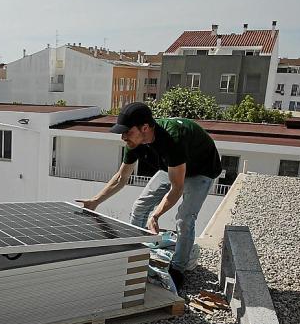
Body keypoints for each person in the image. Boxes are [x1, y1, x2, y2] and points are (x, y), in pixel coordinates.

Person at [77, 102, 222, 290]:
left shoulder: (172, 140)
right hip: (171, 166)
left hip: (201, 169)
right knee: (140, 206)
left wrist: (156, 215)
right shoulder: (134, 143)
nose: (123, 137)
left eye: (127, 132)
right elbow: (121, 177)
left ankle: (178, 269)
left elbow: (177, 188)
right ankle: (134, 253)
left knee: (185, 219)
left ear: (144, 128)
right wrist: (95, 201)